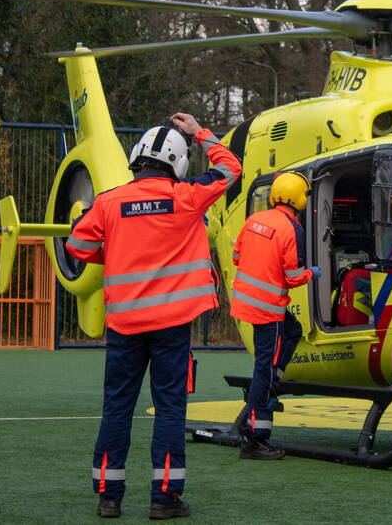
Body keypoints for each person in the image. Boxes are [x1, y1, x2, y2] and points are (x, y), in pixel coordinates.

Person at [67, 113, 241, 520]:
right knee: (169, 409)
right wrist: (201, 132)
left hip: (124, 326)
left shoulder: (110, 201)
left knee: (117, 408)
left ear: (136, 158)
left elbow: (76, 244)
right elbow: (231, 167)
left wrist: (111, 253)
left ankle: (108, 496)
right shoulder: (187, 195)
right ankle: (165, 498)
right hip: (174, 324)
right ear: (178, 164)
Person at [230, 171, 320, 460]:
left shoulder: (255, 219)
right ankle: (256, 438)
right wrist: (313, 273)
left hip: (247, 302)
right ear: (297, 198)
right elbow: (293, 276)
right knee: (263, 370)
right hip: (268, 307)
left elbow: (236, 256)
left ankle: (275, 376)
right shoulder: (292, 228)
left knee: (293, 332)